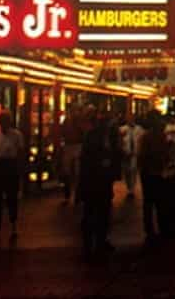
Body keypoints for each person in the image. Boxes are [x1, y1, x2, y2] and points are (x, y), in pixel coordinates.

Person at [77, 108, 119, 259]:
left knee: (94, 213)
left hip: (95, 181)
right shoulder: (100, 138)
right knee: (99, 212)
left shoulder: (94, 137)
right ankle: (96, 242)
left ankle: (93, 243)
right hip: (98, 180)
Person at [0, 110, 25, 242]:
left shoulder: (16, 135)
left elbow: (20, 153)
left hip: (9, 167)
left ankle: (12, 225)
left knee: (11, 198)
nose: (3, 125)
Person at [137, 113, 167, 241]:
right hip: (155, 171)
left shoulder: (146, 136)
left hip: (148, 171)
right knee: (159, 201)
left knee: (149, 202)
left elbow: (141, 155)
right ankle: (160, 227)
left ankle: (150, 229)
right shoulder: (159, 136)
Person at [58, 106, 84, 203]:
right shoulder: (69, 121)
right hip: (71, 146)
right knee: (68, 171)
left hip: (74, 146)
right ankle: (70, 193)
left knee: (75, 171)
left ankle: (73, 194)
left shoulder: (76, 121)